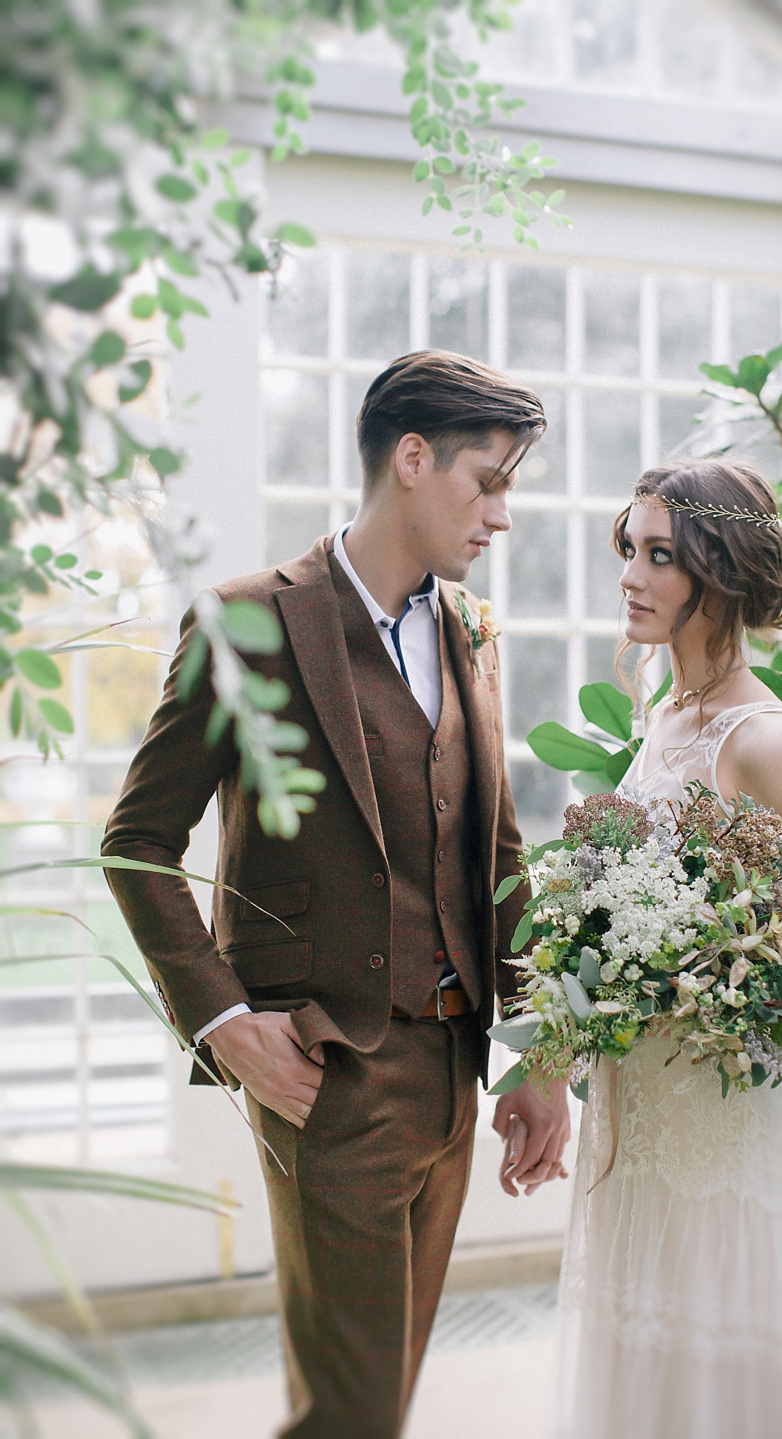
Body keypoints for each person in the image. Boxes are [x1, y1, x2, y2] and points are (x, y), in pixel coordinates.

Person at [101, 349, 570, 1439]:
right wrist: (226, 1022)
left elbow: (496, 852)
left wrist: (541, 1048)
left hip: (455, 1078)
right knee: (351, 1410)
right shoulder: (245, 622)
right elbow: (136, 844)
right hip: (332, 1075)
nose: (500, 514)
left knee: (378, 1401)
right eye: (487, 480)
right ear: (412, 458)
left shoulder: (472, 635)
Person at [548, 461, 782, 1439]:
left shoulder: (764, 737)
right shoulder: (664, 711)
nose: (632, 572)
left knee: (705, 1347)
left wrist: (696, 957)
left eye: (660, 554)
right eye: (628, 547)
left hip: (710, 1112)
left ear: (718, 569)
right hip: (637, 1100)